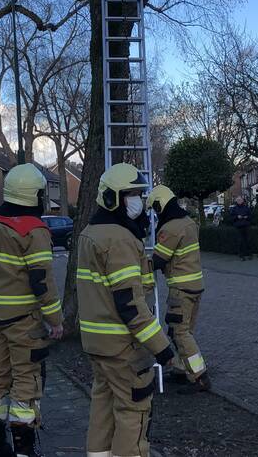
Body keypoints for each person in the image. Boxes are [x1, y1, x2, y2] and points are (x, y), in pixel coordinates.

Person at [78, 163, 174, 457]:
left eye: (139, 194)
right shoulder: (119, 239)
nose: (138, 201)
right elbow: (131, 306)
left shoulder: (90, 233)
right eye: (132, 194)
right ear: (112, 198)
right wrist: (162, 348)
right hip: (123, 348)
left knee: (103, 408)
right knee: (133, 411)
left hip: (97, 345)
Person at [0, 163, 64, 457]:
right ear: (34, 195)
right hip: (24, 321)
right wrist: (55, 320)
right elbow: (42, 282)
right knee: (27, 380)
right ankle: (24, 450)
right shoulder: (33, 230)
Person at [148, 185, 210, 394]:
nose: (156, 213)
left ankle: (199, 377)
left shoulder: (170, 228)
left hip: (181, 289)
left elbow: (158, 260)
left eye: (155, 208)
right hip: (195, 286)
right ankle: (182, 369)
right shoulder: (189, 222)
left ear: (160, 205)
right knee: (185, 332)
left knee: (180, 333)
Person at [230, 196, 253, 261]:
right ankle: (241, 255)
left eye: (240, 200)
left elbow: (251, 216)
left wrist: (247, 217)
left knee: (248, 240)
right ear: (236, 201)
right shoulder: (234, 209)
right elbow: (231, 217)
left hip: (246, 226)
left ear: (242, 201)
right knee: (240, 241)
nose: (239, 201)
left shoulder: (246, 208)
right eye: (238, 200)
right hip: (238, 227)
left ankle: (249, 254)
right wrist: (237, 217)